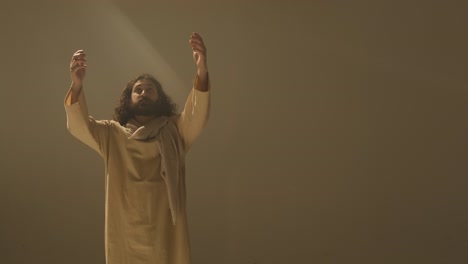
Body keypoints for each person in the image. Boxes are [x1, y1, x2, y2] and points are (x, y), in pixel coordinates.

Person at [64, 32, 210, 264]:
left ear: (159, 98)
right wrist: (77, 84)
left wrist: (201, 71)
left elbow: (196, 114)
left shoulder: (174, 130)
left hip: (166, 234)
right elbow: (80, 126)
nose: (143, 93)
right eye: (138, 90)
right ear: (128, 99)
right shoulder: (112, 133)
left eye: (150, 89)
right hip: (126, 235)